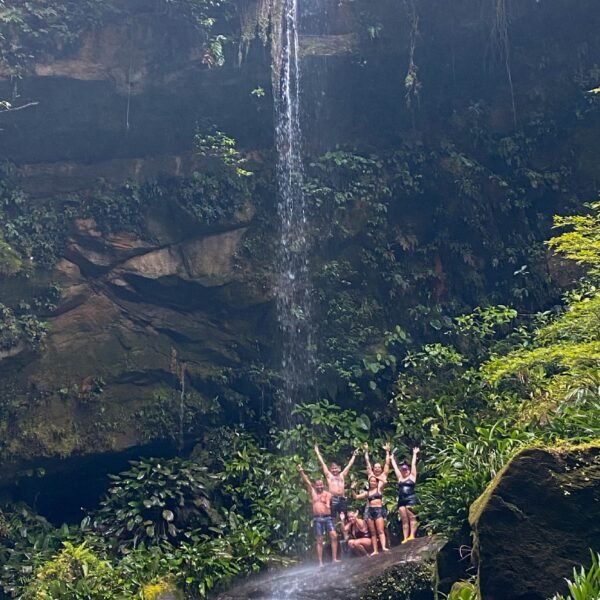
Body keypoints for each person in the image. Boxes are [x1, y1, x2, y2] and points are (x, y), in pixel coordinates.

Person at [297, 464, 340, 566]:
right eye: (318, 485)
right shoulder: (313, 492)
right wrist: (301, 471)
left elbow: (329, 502)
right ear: (315, 485)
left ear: (323, 485)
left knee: (334, 535)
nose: (320, 486)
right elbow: (307, 481)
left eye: (321, 485)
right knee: (319, 539)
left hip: (327, 517)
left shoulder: (327, 494)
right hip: (318, 519)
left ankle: (334, 558)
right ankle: (320, 562)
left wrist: (328, 505)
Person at [314, 444, 360, 528]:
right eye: (333, 468)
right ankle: (333, 534)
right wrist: (317, 453)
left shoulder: (342, 475)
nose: (334, 470)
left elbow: (349, 465)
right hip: (333, 499)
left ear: (339, 468)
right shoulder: (329, 476)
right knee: (333, 518)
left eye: (336, 468)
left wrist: (354, 455)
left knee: (345, 518)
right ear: (330, 469)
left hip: (342, 498)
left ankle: (346, 535)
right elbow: (323, 463)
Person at [351, 476, 389, 555]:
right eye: (371, 481)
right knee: (373, 532)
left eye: (374, 481)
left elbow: (385, 482)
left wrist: (378, 477)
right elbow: (356, 497)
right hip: (370, 512)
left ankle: (383, 547)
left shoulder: (379, 489)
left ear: (376, 482)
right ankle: (375, 550)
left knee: (380, 530)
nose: (372, 483)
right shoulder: (367, 492)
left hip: (378, 510)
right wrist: (352, 488)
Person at [391, 446, 420, 543]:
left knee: (412, 517)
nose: (404, 471)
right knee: (404, 519)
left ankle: (412, 535)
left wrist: (415, 454)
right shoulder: (400, 478)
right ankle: (405, 537)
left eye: (406, 470)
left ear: (408, 470)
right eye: (403, 470)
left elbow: (413, 464)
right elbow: (395, 468)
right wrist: (392, 459)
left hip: (410, 498)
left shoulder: (412, 476)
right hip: (401, 499)